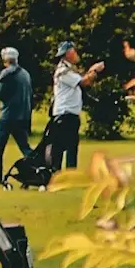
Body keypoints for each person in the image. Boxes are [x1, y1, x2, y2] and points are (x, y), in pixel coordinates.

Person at [0, 46, 35, 184]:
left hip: (8, 115)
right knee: (25, 147)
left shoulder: (7, 73)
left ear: (5, 60)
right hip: (23, 115)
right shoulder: (25, 73)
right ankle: (38, 169)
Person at [41, 42, 87, 178]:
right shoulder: (63, 71)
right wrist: (94, 70)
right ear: (68, 54)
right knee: (60, 147)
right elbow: (83, 82)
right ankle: (57, 175)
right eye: (74, 51)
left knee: (71, 146)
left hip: (71, 113)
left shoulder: (70, 70)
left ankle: (69, 175)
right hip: (64, 113)